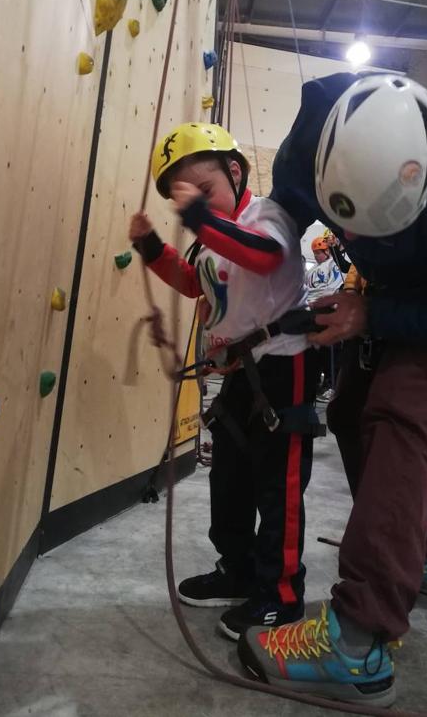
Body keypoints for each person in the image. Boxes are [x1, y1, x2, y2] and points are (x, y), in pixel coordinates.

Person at [237, 71, 427, 708]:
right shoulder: (314, 131)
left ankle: (357, 643)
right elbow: (281, 219)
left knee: (400, 412)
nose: (355, 243)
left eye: (372, 230)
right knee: (350, 411)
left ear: (418, 182)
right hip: (386, 289)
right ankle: (421, 556)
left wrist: (376, 317)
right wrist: (244, 305)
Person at [129, 123, 321, 642]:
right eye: (186, 201)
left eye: (205, 192)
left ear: (235, 173)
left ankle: (280, 596)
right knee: (229, 477)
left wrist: (198, 218)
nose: (200, 209)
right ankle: (236, 568)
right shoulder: (210, 238)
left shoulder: (268, 217)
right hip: (238, 373)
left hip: (284, 365)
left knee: (276, 485)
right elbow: (196, 284)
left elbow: (260, 255)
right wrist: (152, 249)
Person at [306, 236, 342, 397]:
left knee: (329, 349)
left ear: (326, 251)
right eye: (314, 253)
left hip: (326, 310)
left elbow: (332, 287)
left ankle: (331, 382)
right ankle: (316, 381)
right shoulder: (311, 270)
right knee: (315, 348)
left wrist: (319, 300)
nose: (315, 256)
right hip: (312, 310)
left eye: (318, 253)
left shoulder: (333, 265)